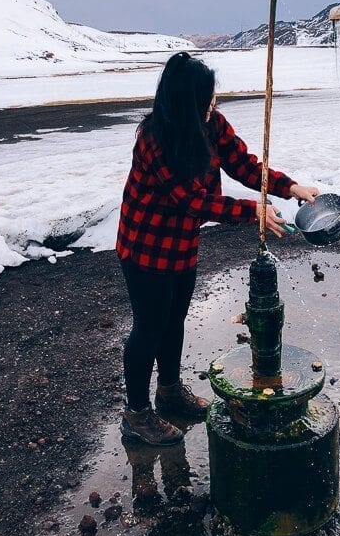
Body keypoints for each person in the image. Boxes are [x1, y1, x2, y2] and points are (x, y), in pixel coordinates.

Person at [116, 51, 318, 445]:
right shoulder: (155, 141)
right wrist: (252, 212)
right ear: (184, 102)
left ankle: (170, 392)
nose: (213, 105)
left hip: (181, 245)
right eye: (206, 99)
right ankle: (136, 415)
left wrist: (288, 187)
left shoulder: (209, 125)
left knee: (174, 321)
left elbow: (243, 163)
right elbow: (193, 202)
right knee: (149, 328)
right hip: (145, 248)